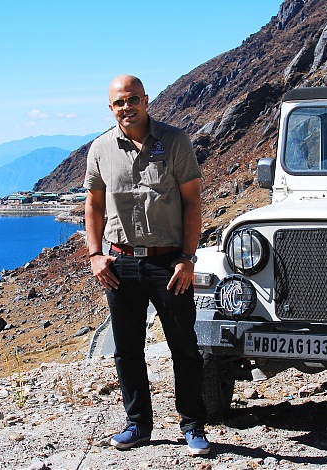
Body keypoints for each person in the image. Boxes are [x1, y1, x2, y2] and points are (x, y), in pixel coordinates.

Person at [84, 74, 210, 456]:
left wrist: (187, 259)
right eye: (120, 102)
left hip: (169, 265)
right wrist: (95, 255)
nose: (127, 107)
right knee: (127, 350)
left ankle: (192, 426)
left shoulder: (174, 141)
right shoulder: (100, 148)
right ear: (111, 107)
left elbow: (192, 202)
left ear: (146, 100)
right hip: (120, 263)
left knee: (184, 348)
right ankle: (137, 424)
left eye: (133, 99)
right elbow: (92, 205)